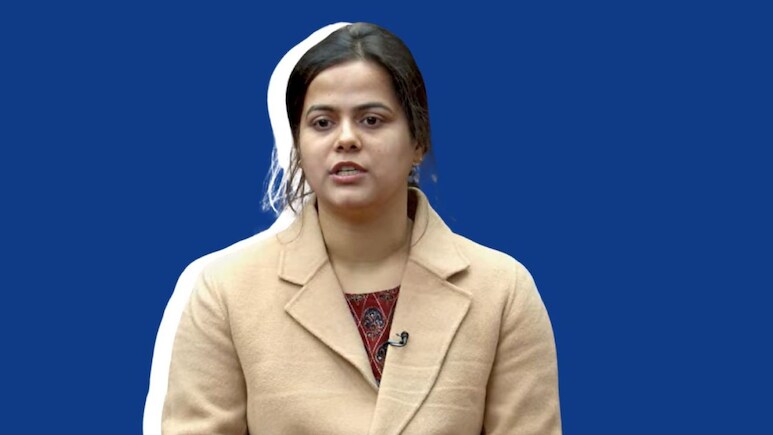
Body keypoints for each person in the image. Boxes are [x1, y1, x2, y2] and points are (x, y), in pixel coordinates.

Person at [161, 22, 561, 435]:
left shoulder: (501, 292)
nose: (346, 139)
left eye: (371, 120)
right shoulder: (226, 293)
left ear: (418, 141)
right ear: (297, 144)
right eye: (322, 123)